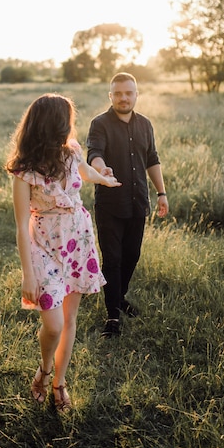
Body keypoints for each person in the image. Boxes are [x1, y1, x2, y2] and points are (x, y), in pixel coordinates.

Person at [6, 93, 121, 413]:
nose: (71, 127)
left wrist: (105, 179)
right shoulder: (24, 170)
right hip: (43, 248)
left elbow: (84, 171)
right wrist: (28, 274)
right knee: (53, 324)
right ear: (53, 124)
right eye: (68, 121)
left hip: (77, 242)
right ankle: (44, 369)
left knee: (69, 319)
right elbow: (20, 225)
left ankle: (59, 382)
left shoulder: (71, 152)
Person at [86, 72, 169, 339]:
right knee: (112, 259)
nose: (124, 98)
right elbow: (94, 154)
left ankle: (118, 296)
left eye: (128, 93)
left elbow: (152, 159)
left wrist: (162, 193)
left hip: (137, 202)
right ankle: (112, 316)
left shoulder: (145, 124)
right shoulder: (99, 124)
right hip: (110, 204)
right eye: (118, 93)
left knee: (132, 254)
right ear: (111, 96)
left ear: (135, 94)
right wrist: (102, 170)